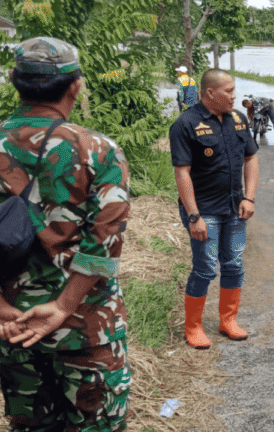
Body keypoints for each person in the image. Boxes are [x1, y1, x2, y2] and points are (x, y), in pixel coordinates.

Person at [0, 37, 132, 431]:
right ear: (75, 86)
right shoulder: (99, 151)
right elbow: (105, 241)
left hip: (12, 326)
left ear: (12, 79)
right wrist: (62, 306)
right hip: (85, 326)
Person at [170, 68, 259, 350]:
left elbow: (251, 158)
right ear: (210, 93)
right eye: (229, 91)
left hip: (235, 207)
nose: (234, 96)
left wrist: (250, 198)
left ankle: (227, 321)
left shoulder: (238, 120)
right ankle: (193, 327)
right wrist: (194, 216)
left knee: (234, 264)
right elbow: (182, 173)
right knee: (206, 267)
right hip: (204, 210)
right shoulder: (186, 124)